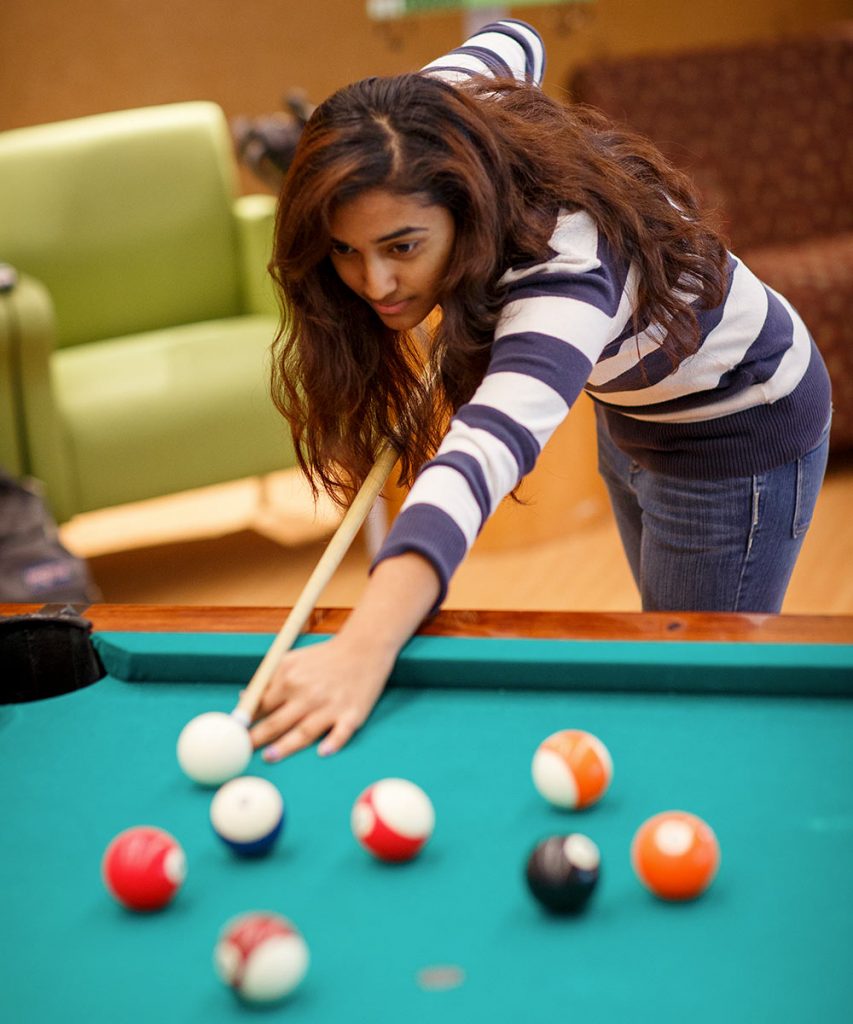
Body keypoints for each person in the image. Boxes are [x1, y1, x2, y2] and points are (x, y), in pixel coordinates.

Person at [251, 20, 832, 762]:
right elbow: (515, 37)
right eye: (345, 251)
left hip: (737, 426)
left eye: (402, 247)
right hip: (633, 408)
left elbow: (478, 459)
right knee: (669, 634)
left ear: (464, 202)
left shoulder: (565, 275)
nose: (374, 284)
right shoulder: (435, 115)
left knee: (693, 688)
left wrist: (363, 647)